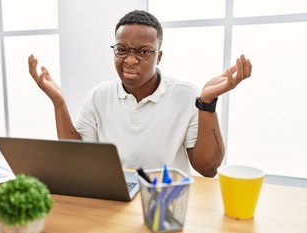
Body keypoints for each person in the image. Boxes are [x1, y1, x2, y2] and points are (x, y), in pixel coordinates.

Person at [28, 10, 252, 177]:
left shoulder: (186, 96)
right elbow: (77, 159)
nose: (130, 60)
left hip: (165, 201)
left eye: (144, 52)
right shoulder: (99, 95)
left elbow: (208, 168)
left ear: (159, 56)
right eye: (122, 49)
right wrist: (59, 103)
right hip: (115, 201)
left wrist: (207, 102)